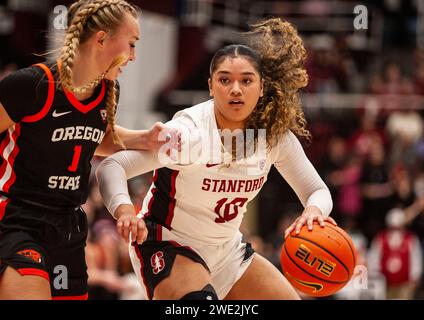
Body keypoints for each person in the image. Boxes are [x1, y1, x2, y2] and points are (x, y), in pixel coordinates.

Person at [97, 18, 336, 300]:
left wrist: (314, 212)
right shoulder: (189, 134)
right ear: (211, 86)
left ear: (262, 88)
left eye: (246, 80)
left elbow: (317, 191)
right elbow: (113, 165)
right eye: (225, 80)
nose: (236, 89)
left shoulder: (274, 138)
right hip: (168, 243)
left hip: (226, 250)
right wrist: (124, 210)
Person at [0, 0, 178, 300]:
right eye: (132, 44)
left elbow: (95, 137)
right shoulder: (34, 85)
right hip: (18, 218)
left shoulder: (108, 90)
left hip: (68, 224)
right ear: (101, 39)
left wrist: (144, 139)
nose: (134, 56)